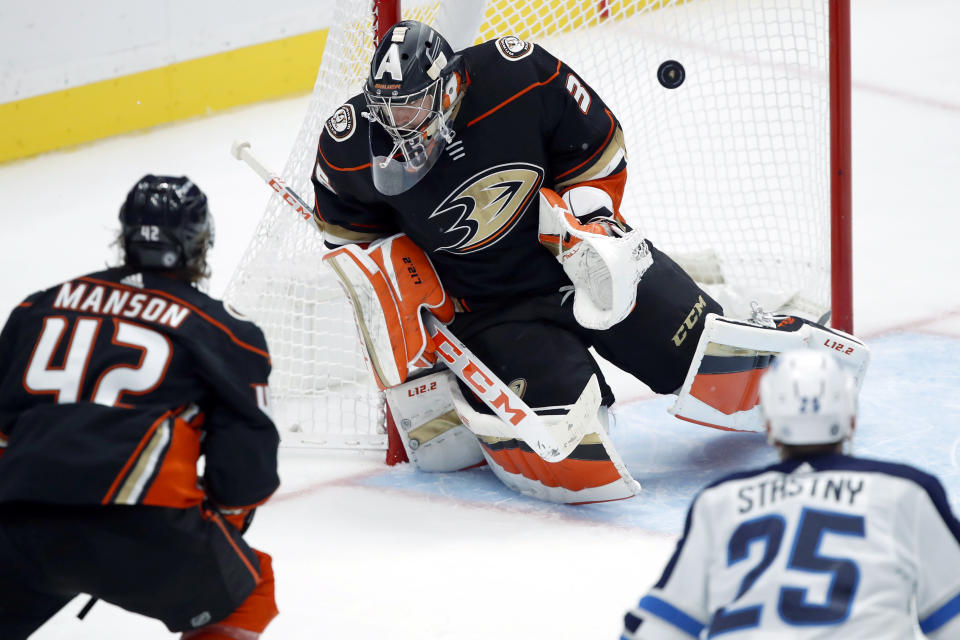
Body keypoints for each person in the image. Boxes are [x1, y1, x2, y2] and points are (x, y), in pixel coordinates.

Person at [310, 20, 867, 502]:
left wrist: (591, 217)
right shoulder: (350, 143)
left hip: (585, 270)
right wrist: (403, 280)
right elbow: (354, 241)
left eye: (410, 105)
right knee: (567, 421)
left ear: (449, 86)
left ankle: (757, 333)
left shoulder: (518, 75)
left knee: (704, 361)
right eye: (387, 108)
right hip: (492, 310)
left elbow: (598, 147)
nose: (397, 123)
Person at [0, 175, 280, 639]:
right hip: (140, 524)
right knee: (248, 592)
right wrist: (222, 524)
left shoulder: (37, 308)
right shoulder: (225, 331)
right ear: (200, 244)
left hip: (18, 518)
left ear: (124, 236)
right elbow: (245, 474)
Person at [621, 350, 960, 639]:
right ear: (850, 418)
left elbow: (658, 628)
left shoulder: (720, 501)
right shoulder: (907, 492)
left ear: (768, 423)